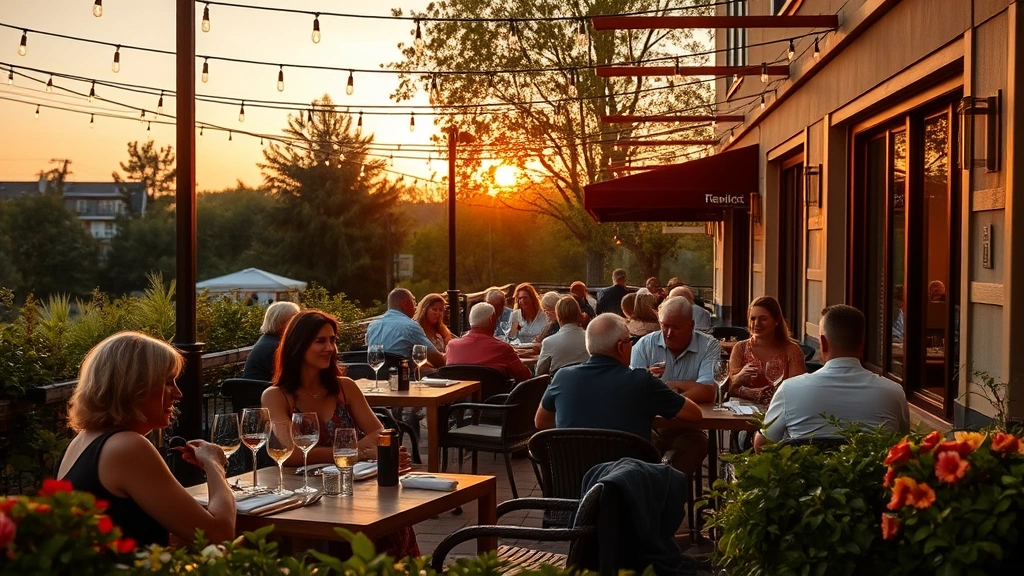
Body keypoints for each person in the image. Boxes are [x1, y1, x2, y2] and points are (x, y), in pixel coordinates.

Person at [261, 310, 418, 557]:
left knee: (390, 525)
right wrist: (358, 452)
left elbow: (379, 434)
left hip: (353, 490)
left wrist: (352, 453)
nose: (330, 348)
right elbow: (290, 454)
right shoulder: (276, 396)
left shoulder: (345, 388)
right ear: (298, 345)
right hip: (305, 496)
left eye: (332, 340)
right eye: (320, 341)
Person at [58, 332, 235, 547]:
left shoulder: (82, 441)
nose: (178, 394)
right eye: (168, 383)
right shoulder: (127, 447)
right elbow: (219, 534)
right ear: (134, 388)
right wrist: (215, 465)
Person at [754, 305, 910, 452]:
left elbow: (762, 445)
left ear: (823, 343)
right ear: (862, 345)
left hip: (807, 473)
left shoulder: (790, 390)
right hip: (873, 473)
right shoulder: (893, 393)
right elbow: (903, 446)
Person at [535, 313, 702, 437]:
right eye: (630, 340)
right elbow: (694, 414)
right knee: (695, 439)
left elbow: (541, 422)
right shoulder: (641, 380)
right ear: (620, 347)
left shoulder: (563, 377)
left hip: (575, 470)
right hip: (628, 471)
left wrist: (580, 429)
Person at [630, 296, 722, 474]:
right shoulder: (645, 345)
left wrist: (664, 388)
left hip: (688, 427)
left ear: (692, 325)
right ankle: (656, 484)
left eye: (676, 327)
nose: (669, 333)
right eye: (665, 326)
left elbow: (707, 392)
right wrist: (684, 390)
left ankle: (669, 487)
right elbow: (635, 391)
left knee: (696, 444)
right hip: (651, 426)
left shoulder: (708, 346)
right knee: (637, 443)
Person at [728, 296, 807, 404]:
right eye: (753, 318)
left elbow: (797, 390)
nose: (756, 323)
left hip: (781, 408)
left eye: (763, 319)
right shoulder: (740, 348)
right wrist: (739, 377)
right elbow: (729, 388)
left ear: (777, 320)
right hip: (742, 410)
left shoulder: (792, 350)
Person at [445, 303, 533, 382]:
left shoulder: (452, 346)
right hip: (496, 394)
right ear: (492, 319)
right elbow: (525, 376)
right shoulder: (502, 349)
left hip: (461, 394)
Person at [365, 288, 445, 369]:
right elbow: (436, 359)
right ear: (405, 303)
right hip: (402, 374)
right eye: (414, 302)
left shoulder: (372, 326)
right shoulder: (410, 326)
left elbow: (372, 356)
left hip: (375, 374)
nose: (415, 306)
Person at [243, 301, 300, 381]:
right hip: (263, 388)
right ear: (283, 323)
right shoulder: (274, 347)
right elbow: (293, 377)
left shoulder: (267, 340)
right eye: (296, 321)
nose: (299, 325)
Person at [536, 296, 591, 375]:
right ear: (578, 313)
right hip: (587, 381)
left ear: (558, 316)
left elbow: (539, 373)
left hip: (559, 382)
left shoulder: (549, 342)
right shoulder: (590, 338)